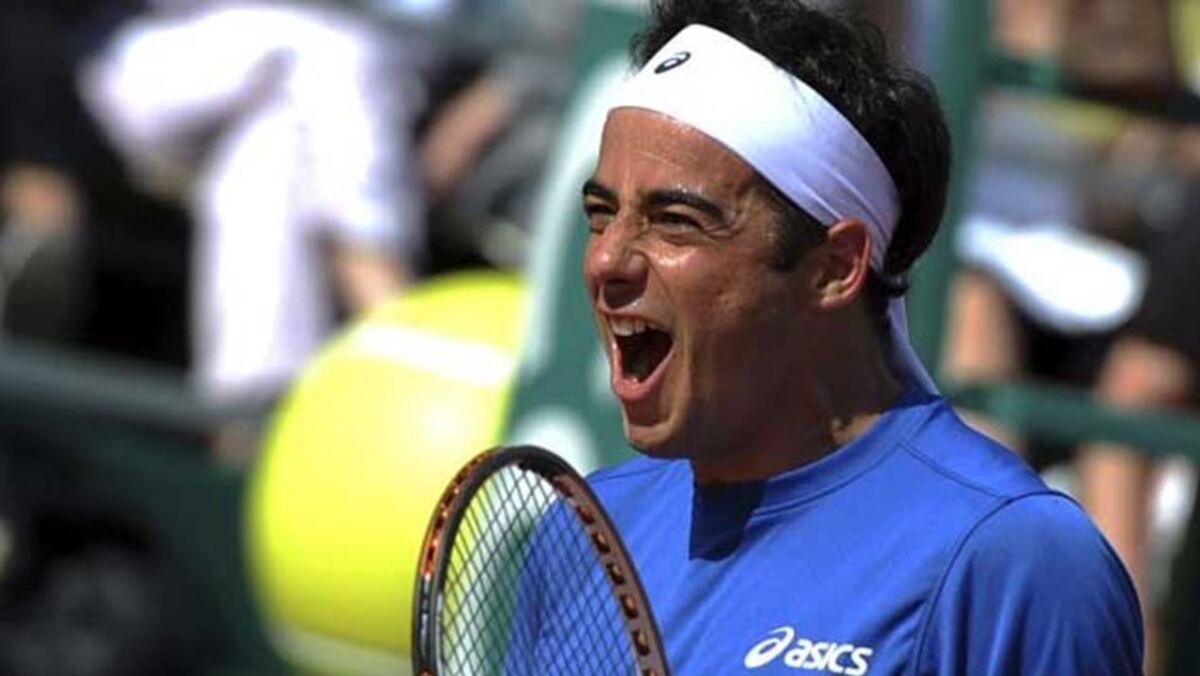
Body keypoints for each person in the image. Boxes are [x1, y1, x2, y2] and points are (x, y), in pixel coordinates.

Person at [530, 1, 1145, 673]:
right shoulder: (587, 530)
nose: (606, 260)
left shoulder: (1015, 562)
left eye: (676, 220)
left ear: (835, 267)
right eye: (601, 214)